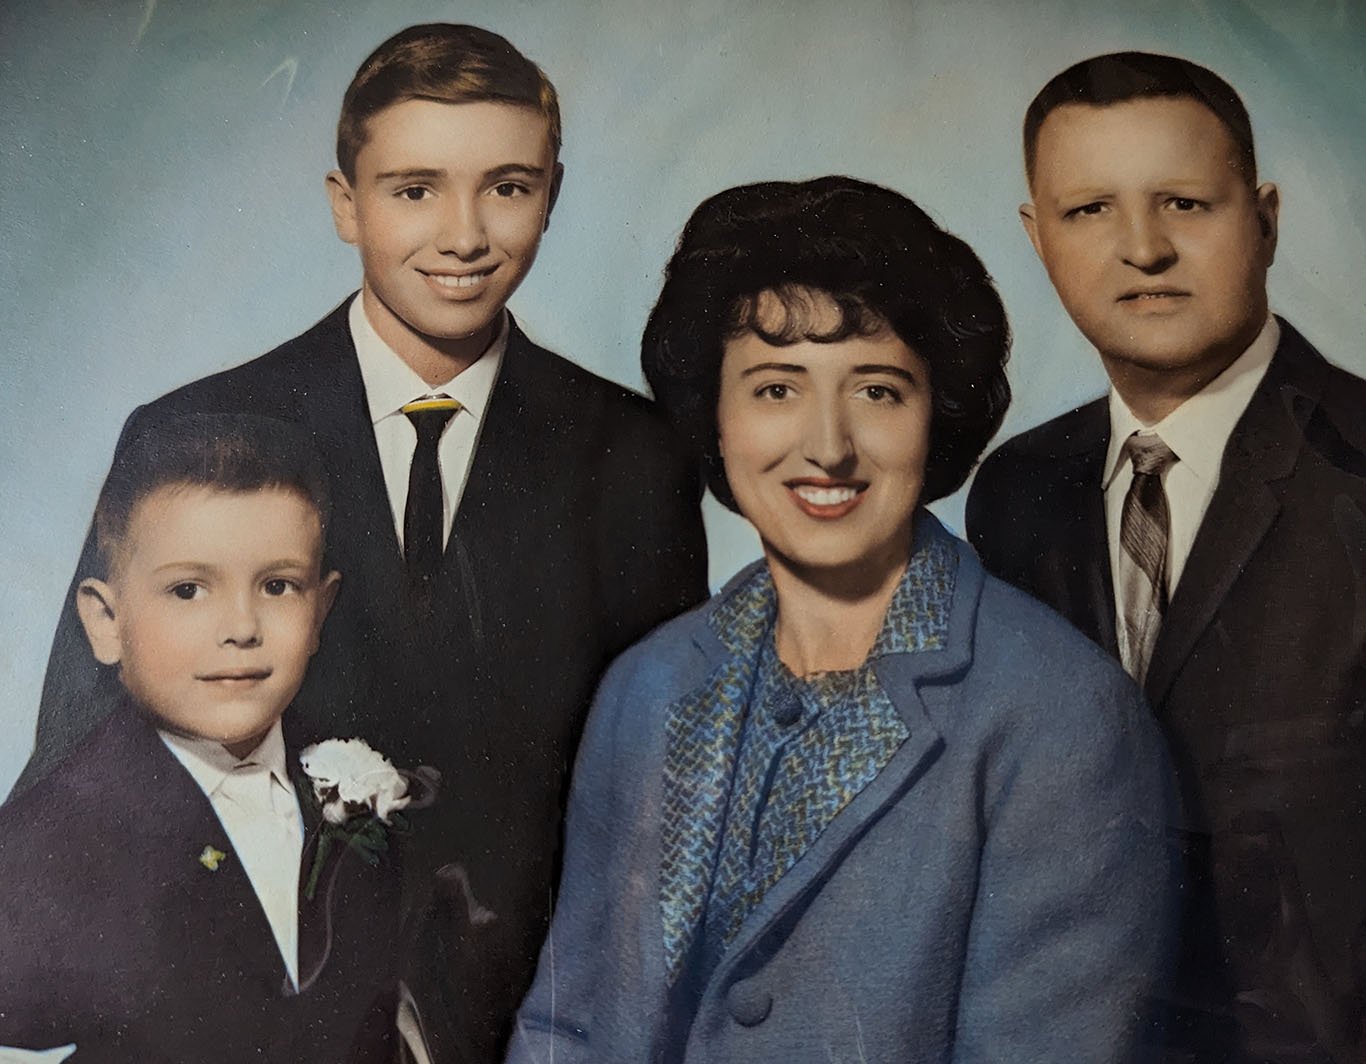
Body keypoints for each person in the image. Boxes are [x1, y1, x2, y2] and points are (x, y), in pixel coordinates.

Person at [23, 24, 708, 1062]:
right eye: (414, 189)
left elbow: (657, 802)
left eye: (507, 187)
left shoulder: (635, 454)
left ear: (553, 196)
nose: (463, 234)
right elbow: (79, 767)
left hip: (523, 1030)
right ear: (346, 202)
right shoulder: (195, 428)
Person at [506, 176, 1178, 1063]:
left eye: (878, 391)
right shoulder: (645, 688)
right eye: (775, 390)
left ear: (937, 415)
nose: (827, 446)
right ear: (715, 415)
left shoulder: (1062, 717)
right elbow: (566, 1026)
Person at [967, 51, 1366, 1062]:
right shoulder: (1016, 492)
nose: (1142, 249)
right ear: (1038, 238)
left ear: (1263, 220)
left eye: (1184, 203)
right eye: (1089, 211)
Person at [0, 413, 415, 1062]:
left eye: (277, 586)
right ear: (106, 621)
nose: (241, 627)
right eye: (188, 589)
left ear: (320, 610)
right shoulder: (45, 844)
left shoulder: (351, 779)